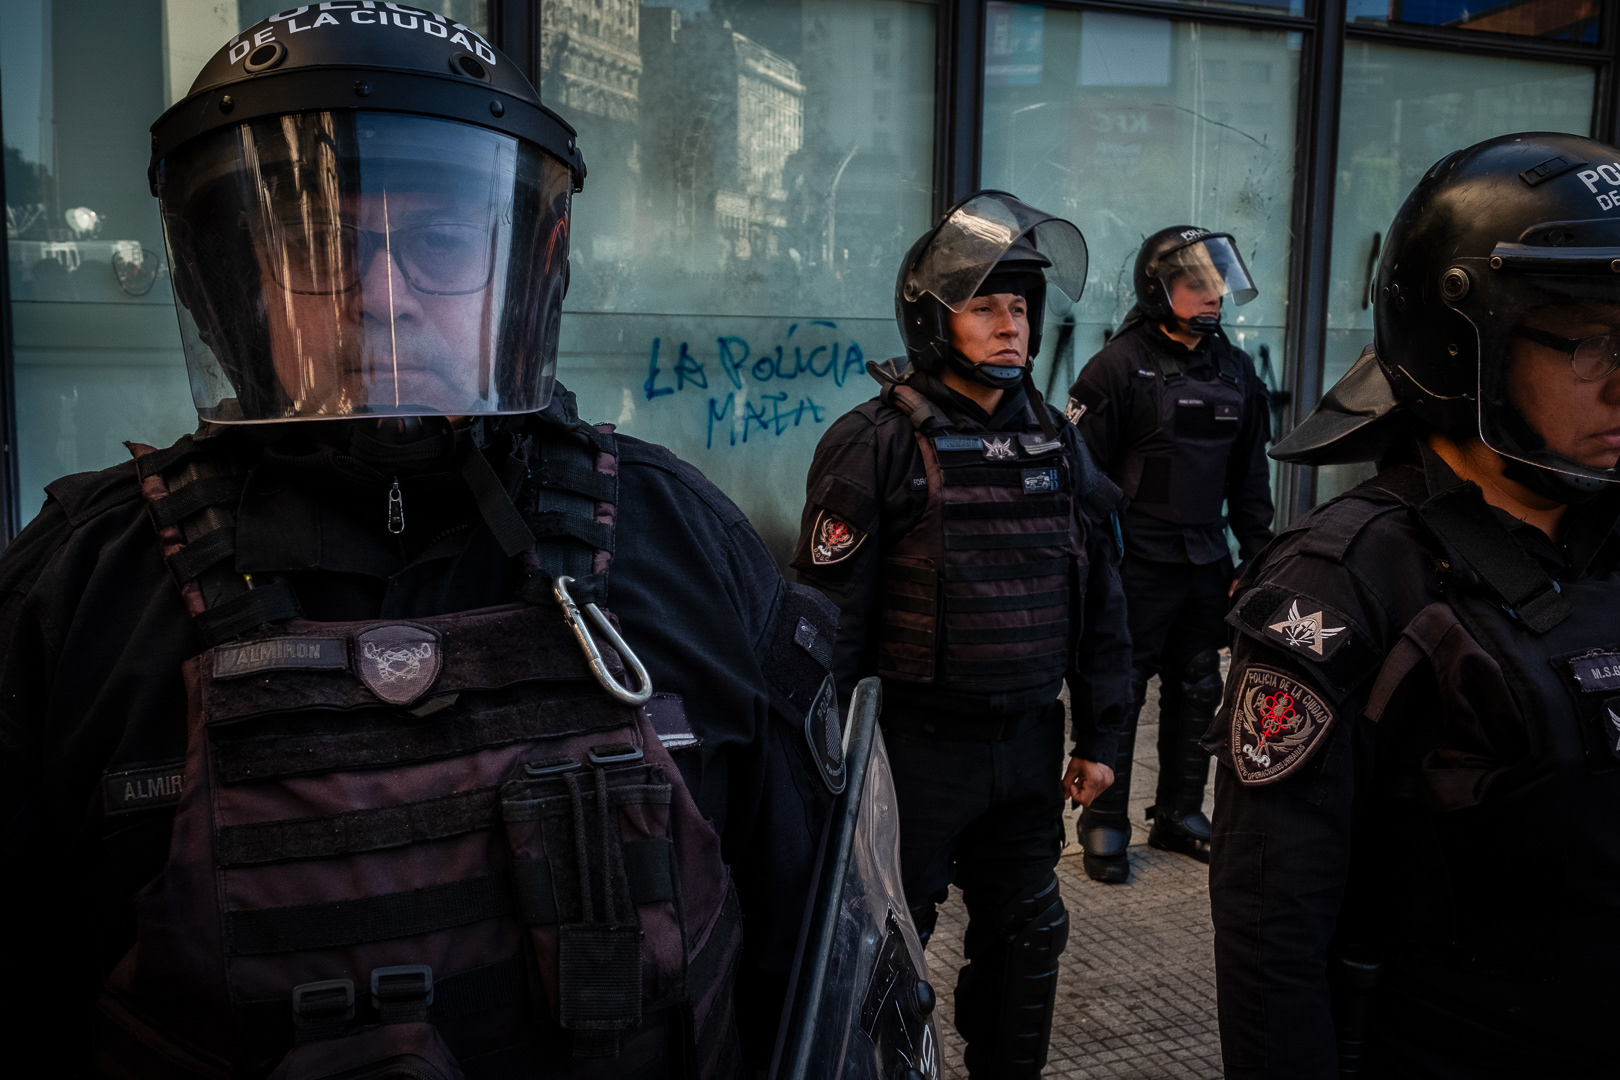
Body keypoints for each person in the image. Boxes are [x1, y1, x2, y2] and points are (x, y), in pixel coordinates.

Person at [0, 14, 848, 1078]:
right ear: (234, 282)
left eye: (442, 245)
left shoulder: (682, 548)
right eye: (321, 249)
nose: (382, 299)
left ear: (520, 274)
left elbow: (810, 967)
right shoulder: (80, 594)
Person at [1207, 131, 1620, 1078]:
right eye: (1593, 343)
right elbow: (1273, 932)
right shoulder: (1347, 581)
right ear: (1467, 341)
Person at [791, 190, 1134, 1079]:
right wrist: (826, 771)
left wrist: (1104, 737)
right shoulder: (877, 442)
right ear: (935, 316)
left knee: (1028, 936)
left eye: (1019, 306)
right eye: (984, 304)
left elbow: (1102, 601)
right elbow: (825, 631)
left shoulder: (1061, 444)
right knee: (883, 947)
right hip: (911, 754)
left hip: (1028, 749)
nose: (1010, 324)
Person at [1064, 226, 1275, 882]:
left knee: (1199, 686)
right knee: (1119, 690)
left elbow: (1248, 479)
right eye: (1195, 285)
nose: (1211, 297)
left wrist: (1256, 558)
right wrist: (1091, 568)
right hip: (1133, 564)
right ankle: (1104, 821)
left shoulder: (1235, 370)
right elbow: (1080, 476)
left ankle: (1181, 814)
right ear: (1159, 289)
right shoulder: (1116, 368)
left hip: (1205, 564)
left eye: (1216, 285)